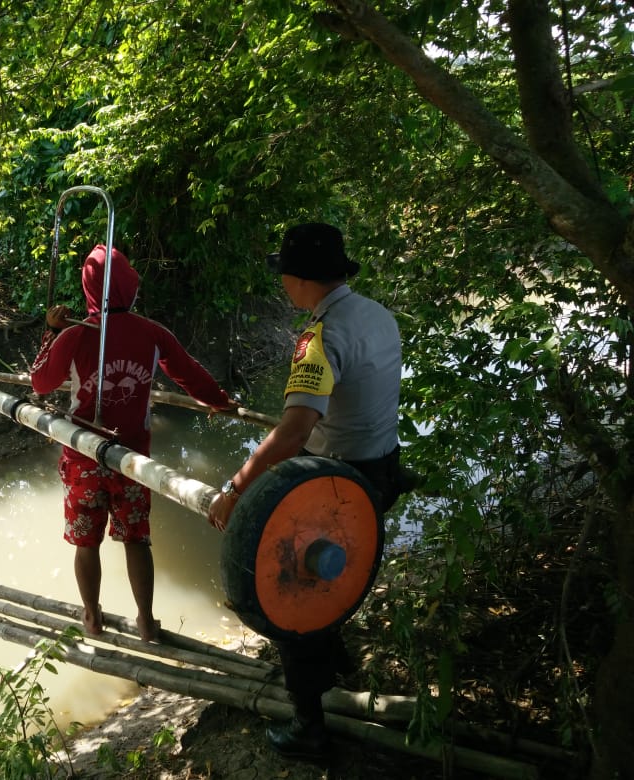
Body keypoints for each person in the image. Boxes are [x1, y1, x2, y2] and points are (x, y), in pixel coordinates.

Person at [208, 222, 403, 759]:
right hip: (382, 468)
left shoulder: (319, 339)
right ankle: (339, 657)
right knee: (339, 572)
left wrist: (236, 487)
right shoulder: (377, 315)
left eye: (285, 278)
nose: (283, 287)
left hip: (335, 484)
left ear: (298, 281)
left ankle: (309, 727)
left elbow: (294, 432)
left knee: (291, 597)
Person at [32, 244, 236, 642]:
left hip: (83, 456)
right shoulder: (152, 332)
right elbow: (189, 374)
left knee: (85, 543)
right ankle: (146, 621)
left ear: (89, 290)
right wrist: (221, 402)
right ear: (132, 287)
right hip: (132, 460)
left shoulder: (74, 334)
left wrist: (51, 333)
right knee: (136, 540)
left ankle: (91, 616)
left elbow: (41, 383)